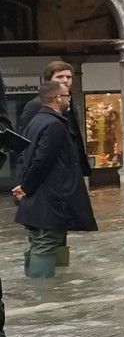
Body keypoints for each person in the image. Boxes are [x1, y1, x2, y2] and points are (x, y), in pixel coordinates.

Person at [12, 80, 94, 277]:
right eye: (67, 96)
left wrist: (25, 186)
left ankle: (44, 285)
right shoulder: (54, 124)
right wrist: (26, 187)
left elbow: (28, 158)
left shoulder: (36, 122)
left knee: (38, 242)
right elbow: (43, 160)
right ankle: (44, 288)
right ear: (57, 98)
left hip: (38, 198)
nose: (69, 100)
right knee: (46, 243)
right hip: (51, 197)